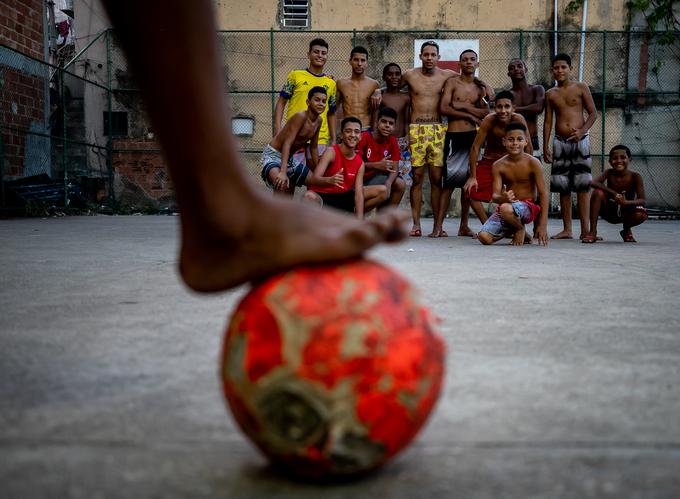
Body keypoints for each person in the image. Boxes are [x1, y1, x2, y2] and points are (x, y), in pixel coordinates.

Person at [101, 0, 408, 293]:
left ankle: (219, 214)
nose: (320, 101)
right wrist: (283, 154)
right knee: (282, 179)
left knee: (311, 180)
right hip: (282, 148)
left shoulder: (329, 92)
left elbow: (320, 139)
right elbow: (286, 134)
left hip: (309, 147)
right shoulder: (298, 93)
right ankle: (232, 209)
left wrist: (320, 170)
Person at [401, 41, 458, 237]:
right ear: (420, 56)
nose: (430, 58)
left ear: (438, 57)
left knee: (436, 179)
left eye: (433, 54)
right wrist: (376, 91)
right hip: (416, 129)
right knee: (416, 178)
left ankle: (437, 226)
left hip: (437, 130)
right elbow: (391, 86)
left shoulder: (447, 75)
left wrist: (484, 85)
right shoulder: (409, 74)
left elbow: (467, 79)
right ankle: (416, 225)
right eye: (426, 54)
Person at [436, 49, 493, 238]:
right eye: (465, 60)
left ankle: (464, 225)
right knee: (449, 183)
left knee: (469, 183)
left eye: (472, 59)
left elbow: (486, 113)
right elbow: (444, 108)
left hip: (473, 137)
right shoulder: (452, 82)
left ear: (477, 63)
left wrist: (461, 106)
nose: (468, 62)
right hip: (455, 135)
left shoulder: (480, 88)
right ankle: (438, 226)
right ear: (459, 64)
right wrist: (469, 112)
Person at [543, 53, 598, 240]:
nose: (559, 71)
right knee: (562, 186)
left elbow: (593, 113)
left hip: (580, 142)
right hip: (560, 142)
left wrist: (582, 131)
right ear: (552, 71)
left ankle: (585, 230)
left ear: (570, 69)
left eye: (563, 67)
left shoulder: (581, 87)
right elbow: (548, 122)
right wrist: (545, 147)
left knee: (583, 186)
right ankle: (567, 229)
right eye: (556, 68)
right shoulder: (550, 93)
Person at [465, 91, 531, 230]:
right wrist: (472, 176)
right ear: (494, 108)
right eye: (499, 107)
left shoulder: (518, 119)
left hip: (513, 164)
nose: (503, 110)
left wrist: (527, 170)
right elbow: (475, 148)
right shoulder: (489, 120)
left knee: (521, 197)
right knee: (470, 191)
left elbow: (528, 146)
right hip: (490, 162)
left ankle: (518, 229)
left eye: (507, 107)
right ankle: (489, 226)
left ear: (513, 108)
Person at [261, 86, 343, 194]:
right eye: (317, 100)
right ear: (308, 102)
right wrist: (283, 171)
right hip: (274, 155)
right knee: (281, 183)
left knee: (315, 180)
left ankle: (330, 183)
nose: (321, 104)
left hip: (289, 158)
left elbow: (313, 148)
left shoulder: (319, 121)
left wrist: (319, 170)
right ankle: (276, 209)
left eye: (324, 101)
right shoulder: (300, 117)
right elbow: (287, 143)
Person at [478, 122, 549, 246]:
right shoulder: (498, 165)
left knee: (505, 208)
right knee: (484, 237)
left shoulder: (533, 163)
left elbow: (543, 193)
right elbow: (494, 196)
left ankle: (519, 229)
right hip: (508, 209)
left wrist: (542, 225)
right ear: (504, 142)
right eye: (510, 140)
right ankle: (518, 229)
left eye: (519, 139)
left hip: (528, 207)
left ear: (526, 142)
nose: (515, 143)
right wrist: (502, 198)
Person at [305, 117, 387, 217]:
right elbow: (314, 179)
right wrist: (330, 180)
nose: (353, 135)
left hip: (342, 197)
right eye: (348, 131)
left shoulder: (359, 163)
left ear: (360, 136)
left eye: (356, 132)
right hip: (323, 195)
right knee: (308, 196)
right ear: (342, 135)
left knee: (383, 191)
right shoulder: (331, 152)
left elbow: (359, 193)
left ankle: (351, 217)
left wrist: (359, 220)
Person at [274, 38, 338, 164]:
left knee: (315, 178)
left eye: (323, 53)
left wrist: (334, 138)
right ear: (308, 55)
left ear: (327, 56)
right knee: (289, 178)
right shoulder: (295, 75)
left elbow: (331, 112)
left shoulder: (331, 83)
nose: (320, 55)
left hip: (319, 138)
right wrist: (278, 129)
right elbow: (281, 102)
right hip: (294, 135)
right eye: (316, 52)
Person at [582, 144, 647, 243]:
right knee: (597, 193)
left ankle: (626, 230)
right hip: (609, 212)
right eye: (615, 158)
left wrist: (625, 202)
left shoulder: (635, 176)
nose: (619, 161)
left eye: (623, 157)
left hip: (627, 212)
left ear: (629, 159)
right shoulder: (609, 173)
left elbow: (642, 200)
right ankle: (593, 232)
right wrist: (614, 193)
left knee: (641, 215)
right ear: (610, 161)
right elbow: (593, 183)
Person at [357, 107, 406, 208]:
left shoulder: (392, 141)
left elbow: (395, 169)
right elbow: (355, 166)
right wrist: (376, 165)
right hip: (360, 180)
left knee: (400, 184)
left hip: (376, 179)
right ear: (377, 122)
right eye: (384, 122)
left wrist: (388, 183)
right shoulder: (364, 137)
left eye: (391, 123)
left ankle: (386, 219)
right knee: (383, 190)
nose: (387, 126)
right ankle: (355, 213)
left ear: (394, 126)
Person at [336, 46, 380, 131]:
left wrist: (373, 131)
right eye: (356, 60)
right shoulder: (341, 83)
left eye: (363, 60)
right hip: (348, 129)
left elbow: (376, 110)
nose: (359, 64)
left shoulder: (374, 84)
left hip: (366, 128)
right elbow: (333, 110)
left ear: (366, 63)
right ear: (350, 61)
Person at [507, 58, 545, 155]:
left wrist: (516, 109)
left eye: (520, 66)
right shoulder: (507, 94)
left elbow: (539, 108)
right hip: (514, 141)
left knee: (534, 168)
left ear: (526, 69)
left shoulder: (537, 89)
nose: (516, 69)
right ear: (509, 74)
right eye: (512, 68)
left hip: (532, 138)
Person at [375, 63, 411, 151]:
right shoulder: (379, 97)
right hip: (383, 141)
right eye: (390, 74)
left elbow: (406, 121)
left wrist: (407, 136)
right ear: (384, 77)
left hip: (401, 141)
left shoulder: (406, 98)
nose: (394, 77)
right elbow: (375, 120)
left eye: (397, 74)